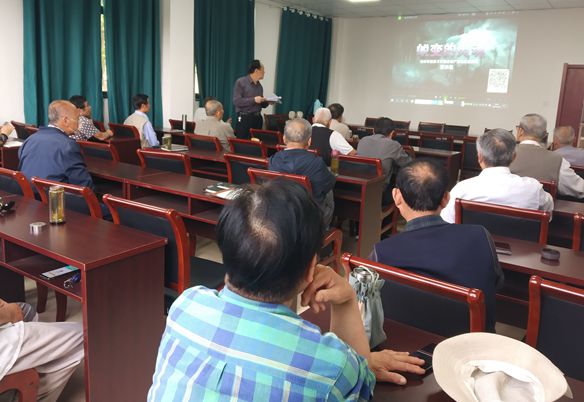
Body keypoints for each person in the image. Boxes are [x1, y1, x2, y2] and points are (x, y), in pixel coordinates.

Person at [148, 181, 425, 401]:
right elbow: (362, 382)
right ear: (311, 269)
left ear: (226, 250)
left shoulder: (186, 306)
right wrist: (346, 301)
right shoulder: (330, 367)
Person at [370, 160, 503, 332]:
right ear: (446, 199)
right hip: (475, 344)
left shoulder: (382, 253)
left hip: (408, 344)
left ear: (396, 196)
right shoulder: (480, 236)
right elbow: (497, 282)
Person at [0, 289, 83, 401]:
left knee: (27, 311)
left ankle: (30, 367)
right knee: (83, 335)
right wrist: (9, 314)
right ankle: (28, 394)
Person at [441, 128, 553, 223]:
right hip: (519, 243)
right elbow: (548, 214)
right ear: (513, 157)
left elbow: (447, 221)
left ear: (479, 157)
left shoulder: (462, 189)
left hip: (471, 242)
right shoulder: (533, 188)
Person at [269, 118, 336, 226]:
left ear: (284, 138)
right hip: (309, 221)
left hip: (280, 216)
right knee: (329, 193)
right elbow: (330, 184)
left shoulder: (273, 160)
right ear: (309, 141)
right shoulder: (316, 163)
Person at [19, 100, 94, 188]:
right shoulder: (68, 145)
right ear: (66, 120)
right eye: (77, 119)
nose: (79, 123)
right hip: (55, 195)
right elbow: (83, 185)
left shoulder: (29, 139)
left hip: (29, 194)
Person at [510, 113, 584, 199]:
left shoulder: (501, 154)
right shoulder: (558, 160)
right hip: (540, 206)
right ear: (545, 135)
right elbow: (580, 189)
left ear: (520, 131)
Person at [357, 117, 412, 203]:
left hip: (359, 188)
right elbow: (409, 164)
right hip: (380, 193)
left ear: (373, 131)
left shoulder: (362, 140)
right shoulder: (393, 145)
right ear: (392, 133)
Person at [233, 59, 267, 139]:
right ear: (256, 70)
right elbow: (237, 101)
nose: (264, 72)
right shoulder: (240, 82)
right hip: (245, 119)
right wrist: (254, 100)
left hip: (257, 119)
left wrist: (267, 102)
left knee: (256, 143)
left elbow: (260, 104)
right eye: (263, 70)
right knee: (243, 143)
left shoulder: (259, 86)